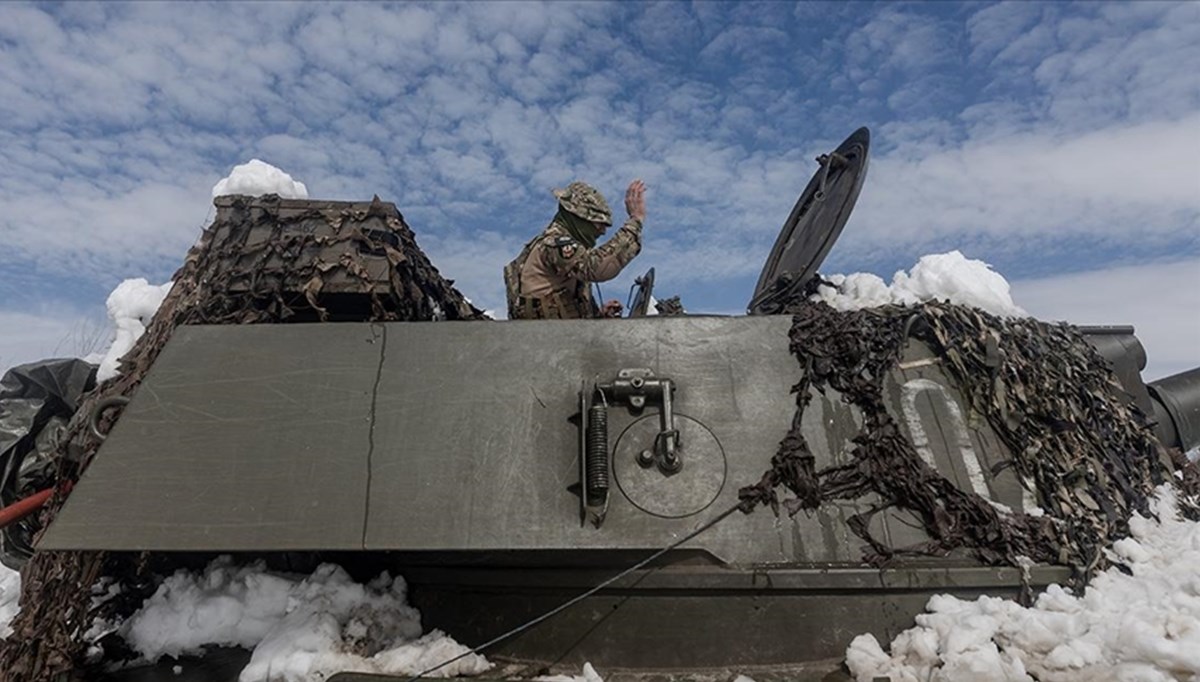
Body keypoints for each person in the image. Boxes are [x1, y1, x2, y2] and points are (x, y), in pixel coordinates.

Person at [504, 180, 646, 320]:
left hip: (559, 336)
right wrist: (635, 221)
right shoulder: (553, 244)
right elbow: (597, 268)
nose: (602, 232)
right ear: (578, 218)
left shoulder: (567, 252)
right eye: (598, 223)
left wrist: (599, 314)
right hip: (545, 339)